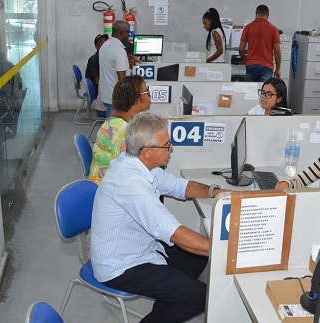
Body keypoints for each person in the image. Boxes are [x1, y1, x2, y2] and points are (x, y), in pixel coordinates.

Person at [91, 112, 226, 322]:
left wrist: (218, 192)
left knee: (197, 257)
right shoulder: (131, 184)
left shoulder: (141, 164)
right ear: (147, 152)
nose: (171, 148)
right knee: (200, 296)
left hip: (140, 248)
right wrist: (228, 248)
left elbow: (179, 186)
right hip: (120, 266)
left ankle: (168, 302)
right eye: (167, 145)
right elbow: (173, 233)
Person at [89, 75, 151, 184]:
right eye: (146, 92)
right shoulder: (121, 128)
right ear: (135, 100)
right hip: (106, 187)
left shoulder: (120, 117)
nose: (150, 95)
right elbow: (132, 166)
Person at [238, 5, 281, 82]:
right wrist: (278, 69)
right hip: (267, 66)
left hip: (251, 66)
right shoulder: (273, 29)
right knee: (265, 92)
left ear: (256, 14)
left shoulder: (248, 27)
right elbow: (277, 51)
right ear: (268, 16)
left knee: (250, 93)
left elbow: (241, 49)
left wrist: (246, 60)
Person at [99, 20, 131, 118]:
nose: (129, 35)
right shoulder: (118, 50)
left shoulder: (105, 45)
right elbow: (122, 78)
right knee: (113, 129)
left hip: (107, 94)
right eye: (128, 33)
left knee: (110, 126)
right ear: (122, 33)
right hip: (116, 97)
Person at [85, 34, 109, 119]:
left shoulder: (103, 57)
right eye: (100, 43)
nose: (103, 45)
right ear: (96, 47)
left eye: (105, 42)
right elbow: (97, 81)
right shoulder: (96, 59)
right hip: (97, 90)